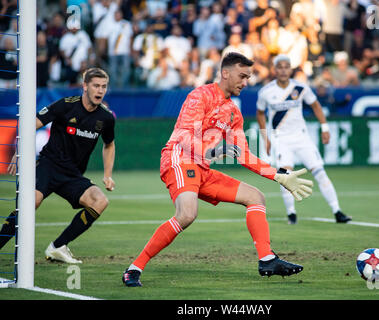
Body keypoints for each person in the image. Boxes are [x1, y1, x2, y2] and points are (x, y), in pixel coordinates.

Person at [122, 52, 314, 287]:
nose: (246, 82)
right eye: (242, 76)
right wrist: (210, 152)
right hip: (179, 159)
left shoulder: (234, 112)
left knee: (256, 197)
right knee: (186, 214)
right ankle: (134, 269)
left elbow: (243, 154)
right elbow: (183, 136)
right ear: (225, 73)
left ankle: (266, 259)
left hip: (202, 168)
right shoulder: (200, 95)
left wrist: (278, 175)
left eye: (248, 77)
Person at [0, 68, 116, 263]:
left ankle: (58, 246)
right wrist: (18, 152)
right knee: (31, 203)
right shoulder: (65, 105)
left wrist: (108, 174)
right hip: (48, 165)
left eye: (104, 87)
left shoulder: (106, 118)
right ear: (85, 86)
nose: (100, 90)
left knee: (100, 201)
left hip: (72, 175)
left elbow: (109, 144)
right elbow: (29, 124)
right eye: (96, 85)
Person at [256, 55, 352, 225]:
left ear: (291, 69)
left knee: (320, 172)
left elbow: (316, 105)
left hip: (301, 137)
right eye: (280, 67)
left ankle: (337, 211)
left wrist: (325, 127)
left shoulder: (300, 88)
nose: (284, 70)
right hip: (281, 139)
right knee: (285, 176)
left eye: (287, 66)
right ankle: (291, 214)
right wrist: (266, 137)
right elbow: (260, 113)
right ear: (275, 70)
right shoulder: (266, 92)